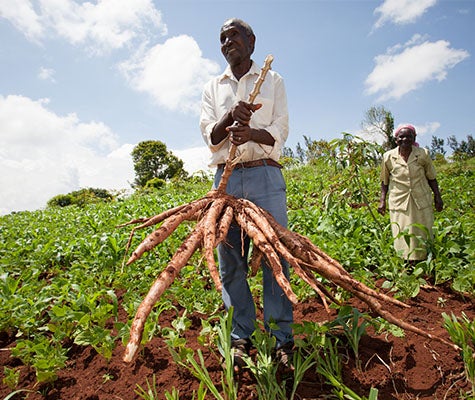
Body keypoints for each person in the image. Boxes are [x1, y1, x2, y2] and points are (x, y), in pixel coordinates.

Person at [199, 18, 293, 371]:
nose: (227, 43)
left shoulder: (273, 80)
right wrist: (229, 118)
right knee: (230, 262)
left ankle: (282, 337)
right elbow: (211, 134)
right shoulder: (213, 86)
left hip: (265, 177)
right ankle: (241, 335)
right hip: (226, 179)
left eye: (233, 36)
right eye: (222, 38)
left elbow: (280, 130)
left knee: (275, 256)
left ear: (251, 42)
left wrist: (252, 133)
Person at [378, 124, 443, 262]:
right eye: (401, 137)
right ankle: (405, 260)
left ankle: (426, 259)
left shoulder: (422, 154)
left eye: (409, 136)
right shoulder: (388, 157)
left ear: (414, 138)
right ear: (396, 140)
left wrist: (438, 196)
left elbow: (431, 177)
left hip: (421, 197)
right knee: (402, 230)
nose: (405, 139)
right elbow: (384, 181)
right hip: (399, 200)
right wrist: (382, 200)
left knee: (423, 228)